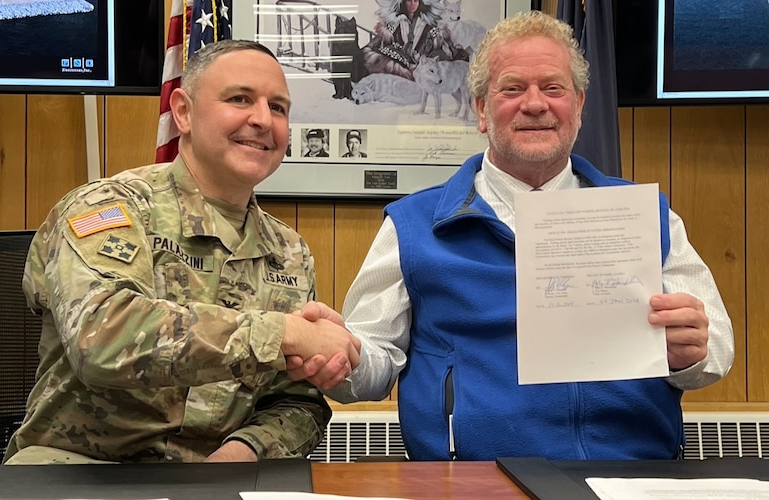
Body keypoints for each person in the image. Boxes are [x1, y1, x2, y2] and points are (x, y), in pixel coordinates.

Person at [287, 11, 735, 461]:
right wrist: (346, 356)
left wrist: (691, 352)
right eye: (513, 88)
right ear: (481, 109)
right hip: (470, 485)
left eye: (554, 88)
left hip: (634, 478)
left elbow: (715, 351)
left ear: (579, 107)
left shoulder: (646, 216)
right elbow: (375, 361)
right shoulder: (413, 224)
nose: (536, 104)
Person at [3, 40, 360, 465]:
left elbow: (297, 402)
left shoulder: (288, 252)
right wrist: (283, 334)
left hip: (220, 479)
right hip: (82, 470)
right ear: (183, 112)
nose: (263, 120)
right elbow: (101, 338)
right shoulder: (111, 207)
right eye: (240, 99)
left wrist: (245, 451)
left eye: (278, 107)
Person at [362, 0, 461, 81]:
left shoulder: (428, 23)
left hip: (421, 65)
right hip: (400, 63)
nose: (413, 4)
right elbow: (381, 40)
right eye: (409, 1)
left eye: (416, 1)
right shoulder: (395, 22)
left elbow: (440, 43)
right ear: (403, 2)